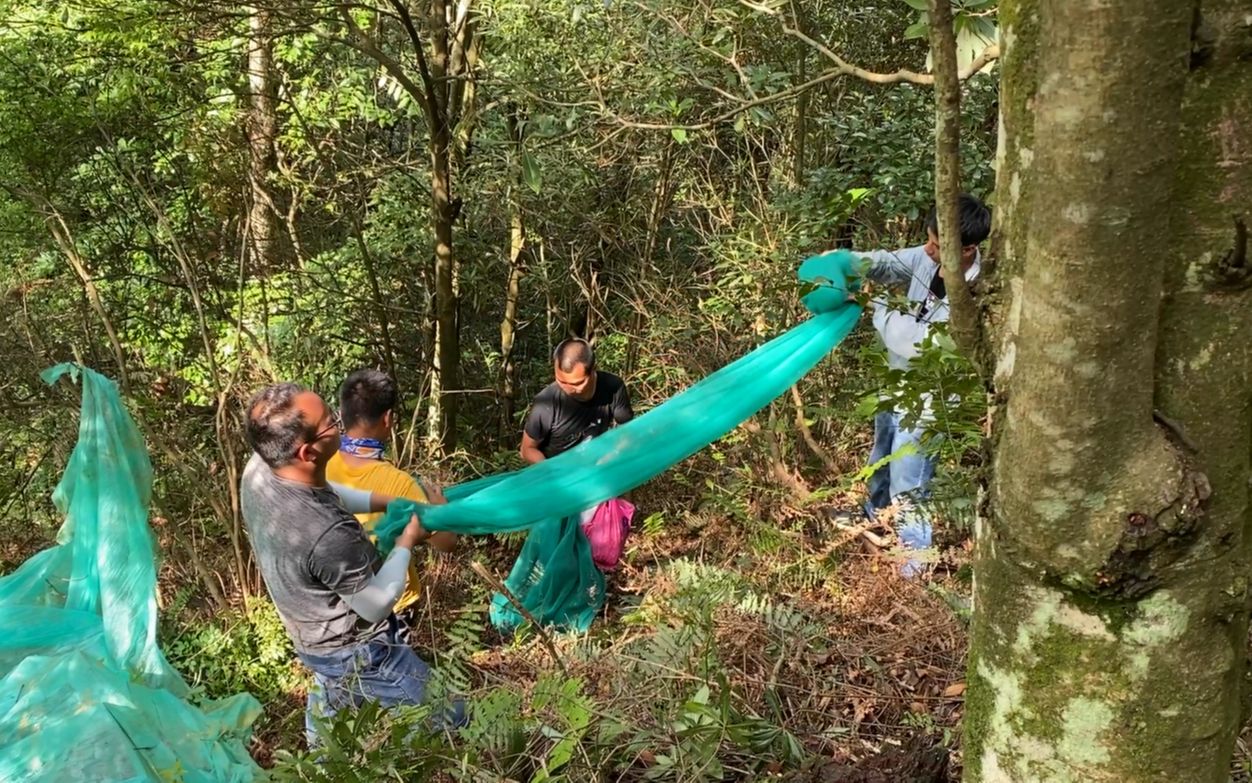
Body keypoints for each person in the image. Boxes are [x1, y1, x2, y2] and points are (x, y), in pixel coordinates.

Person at [240, 382, 464, 747]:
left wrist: (389, 501)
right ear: (308, 451)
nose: (341, 428)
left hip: (312, 636)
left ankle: (323, 755)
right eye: (332, 424)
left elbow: (325, 490)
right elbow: (374, 605)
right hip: (357, 650)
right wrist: (408, 540)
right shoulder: (325, 532)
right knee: (451, 714)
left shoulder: (262, 469)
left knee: (331, 710)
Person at [858, 193, 991, 574]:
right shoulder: (926, 257)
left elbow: (913, 342)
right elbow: (890, 263)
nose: (928, 250)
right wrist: (853, 264)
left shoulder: (975, 293)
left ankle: (911, 570)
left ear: (967, 250)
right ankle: (875, 524)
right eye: (929, 240)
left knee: (910, 483)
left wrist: (878, 305)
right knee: (880, 458)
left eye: (938, 245)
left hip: (932, 403)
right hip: (896, 386)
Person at [326, 369, 457, 615]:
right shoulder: (401, 484)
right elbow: (445, 543)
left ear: (342, 414)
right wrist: (442, 511)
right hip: (392, 603)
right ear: (388, 418)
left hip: (340, 602)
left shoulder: (319, 466)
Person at [520, 338, 634, 464]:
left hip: (598, 468)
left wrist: (614, 454)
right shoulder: (546, 402)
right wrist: (552, 472)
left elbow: (627, 430)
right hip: (557, 474)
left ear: (592, 370)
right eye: (561, 381)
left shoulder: (613, 387)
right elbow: (527, 449)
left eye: (577, 383)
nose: (568, 389)